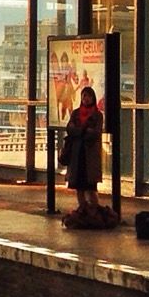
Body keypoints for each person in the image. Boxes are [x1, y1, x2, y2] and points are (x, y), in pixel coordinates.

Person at [60, 85, 104, 224]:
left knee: (90, 186)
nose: (86, 99)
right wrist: (83, 131)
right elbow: (70, 129)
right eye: (84, 96)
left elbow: (95, 133)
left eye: (88, 96)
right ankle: (83, 209)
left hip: (89, 154)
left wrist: (79, 131)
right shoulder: (76, 113)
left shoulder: (97, 115)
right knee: (78, 185)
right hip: (77, 153)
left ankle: (93, 211)